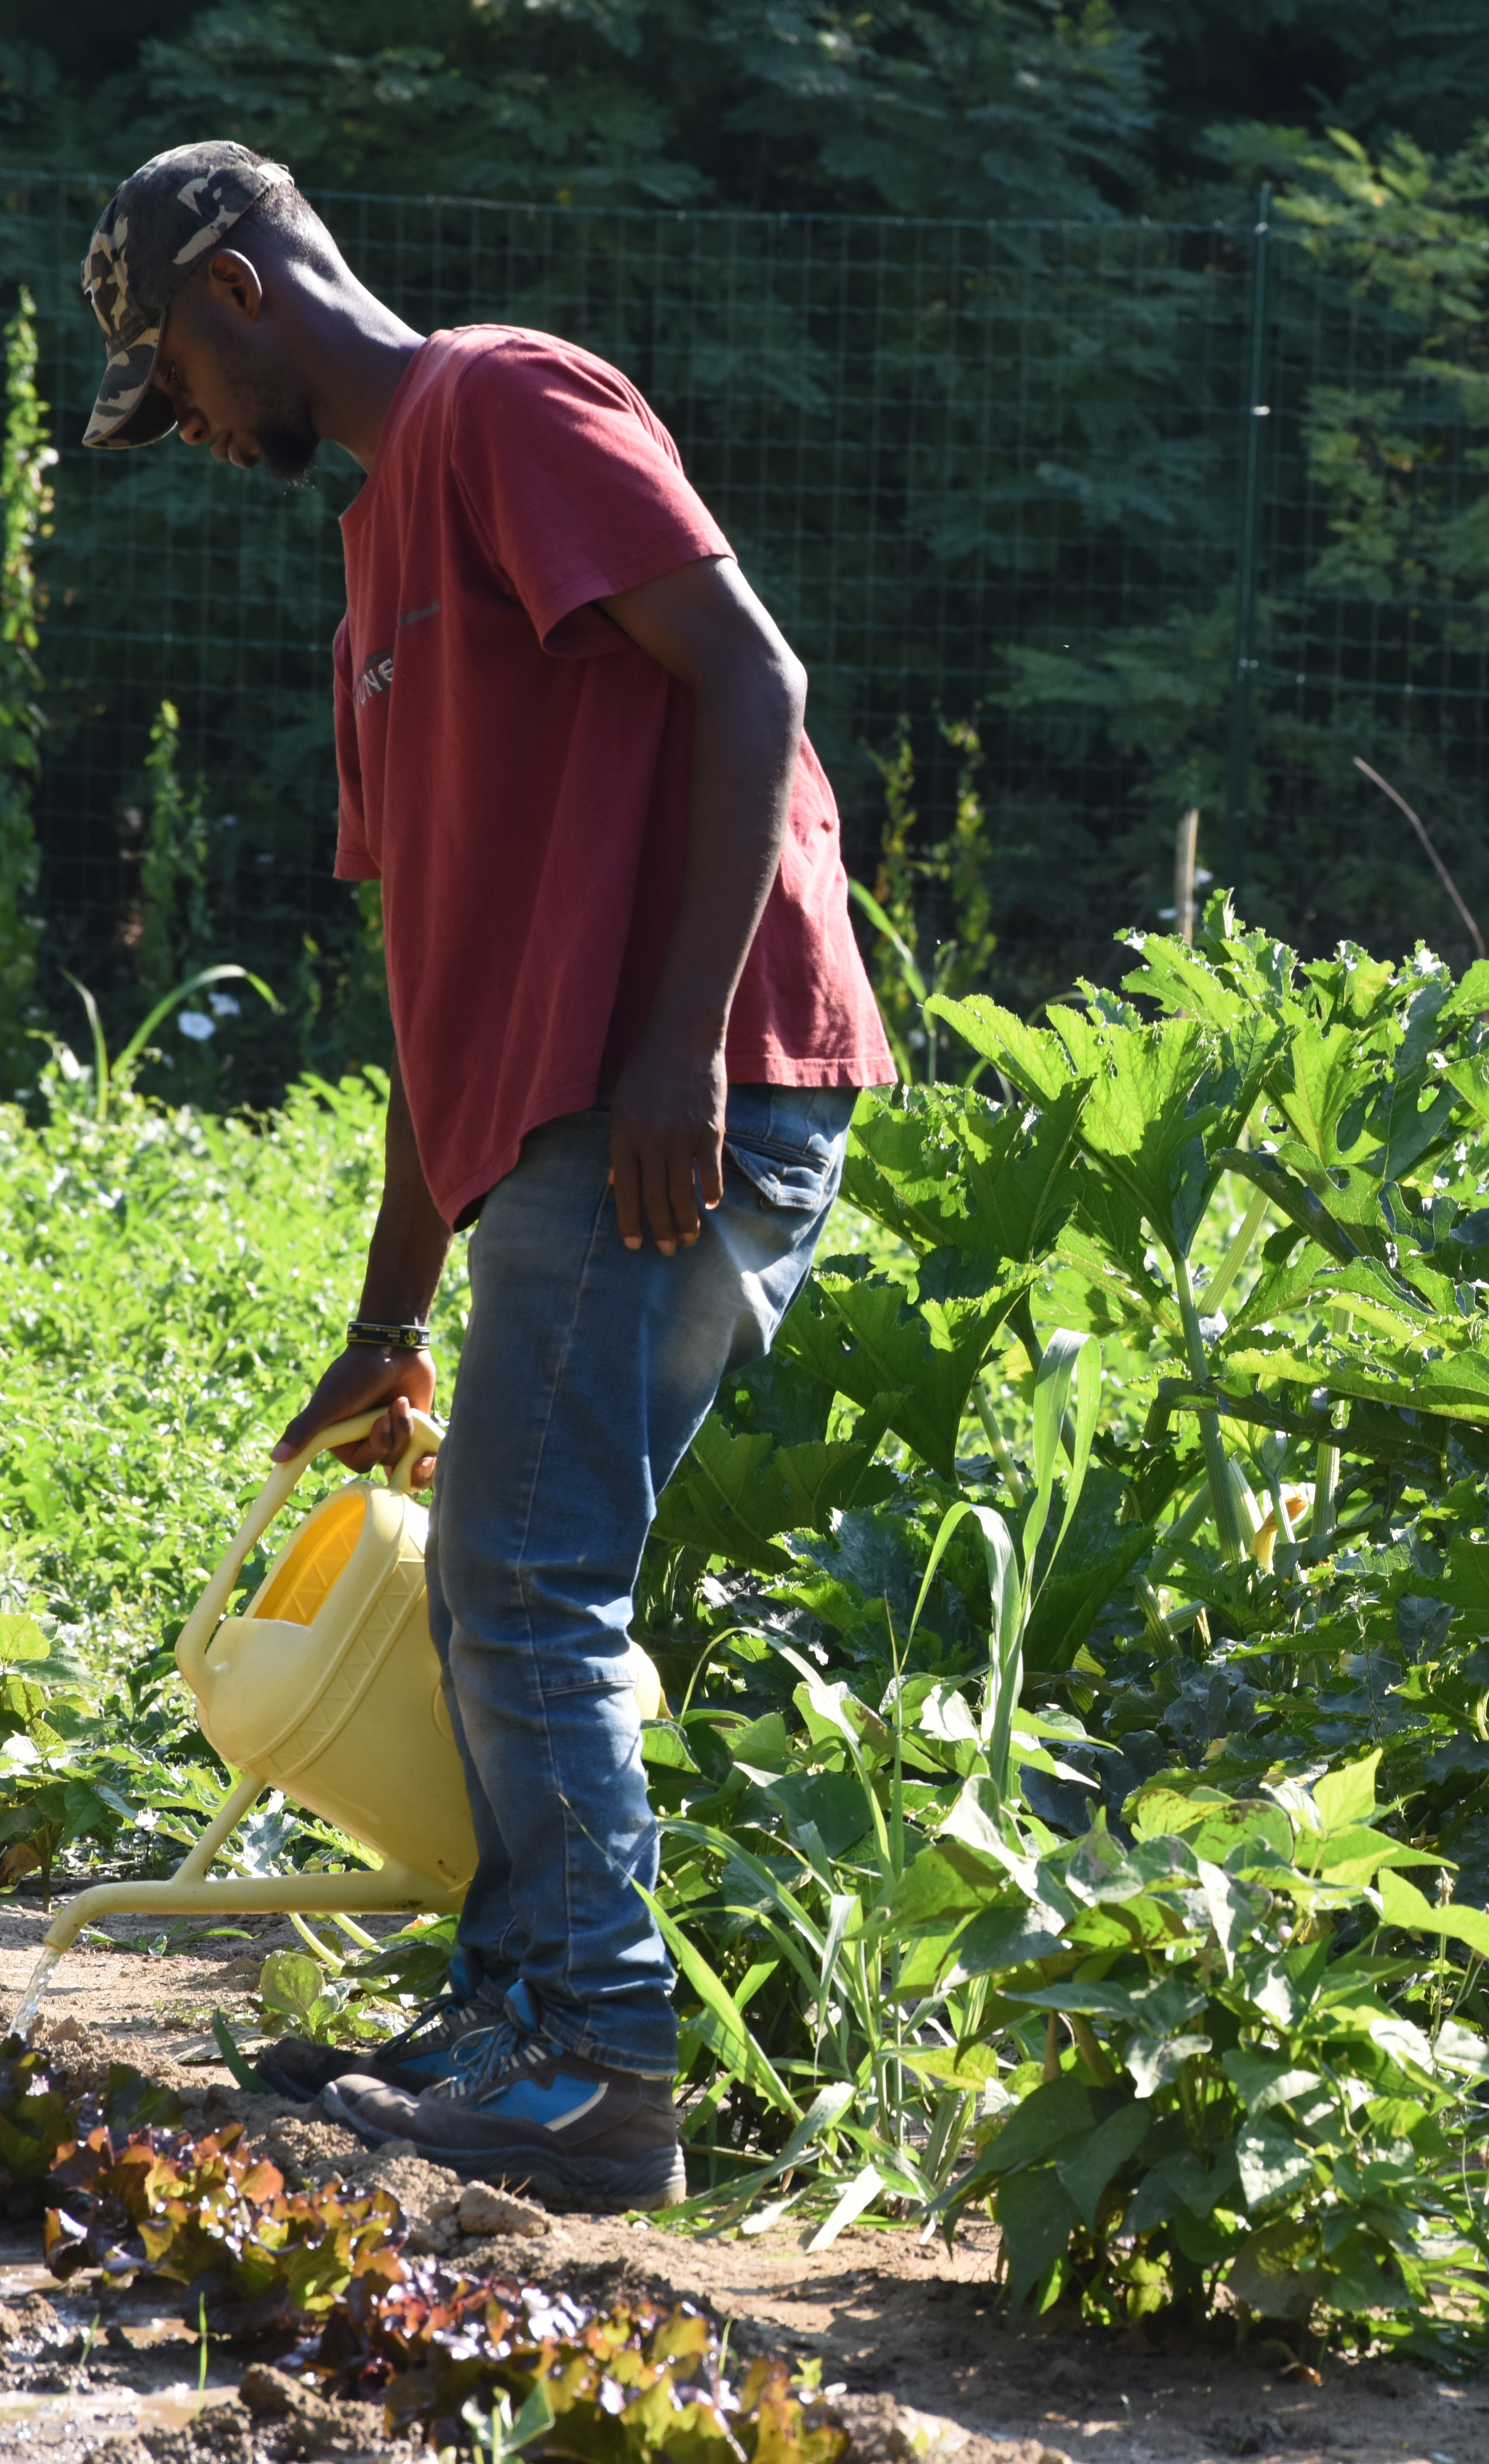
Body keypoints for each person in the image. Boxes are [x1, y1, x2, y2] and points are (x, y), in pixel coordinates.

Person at [75, 141, 896, 2209]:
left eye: (172, 374)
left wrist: (667, 1055)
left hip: (666, 1094)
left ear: (238, 288)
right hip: (548, 1108)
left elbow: (753, 679)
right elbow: (434, 984)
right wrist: (383, 1314)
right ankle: (521, 2009)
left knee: (527, 1575)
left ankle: (598, 2058)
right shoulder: (375, 565)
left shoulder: (501, 402)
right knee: (498, 1568)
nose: (188, 424)